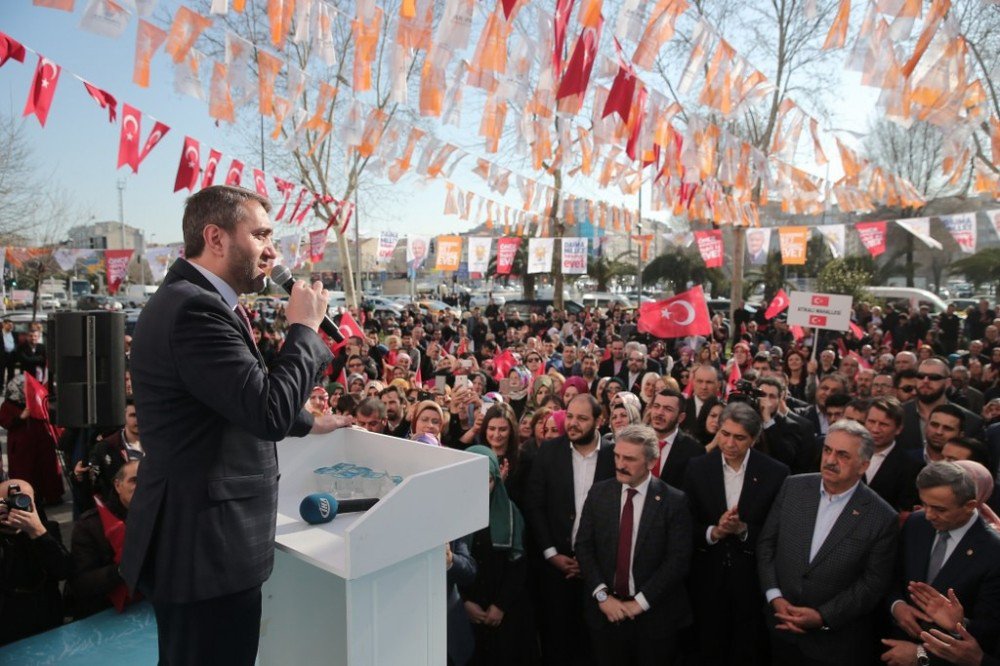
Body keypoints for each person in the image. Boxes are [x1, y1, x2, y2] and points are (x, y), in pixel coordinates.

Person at [121, 186, 351, 665]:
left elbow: (228, 400)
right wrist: (305, 330)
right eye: (262, 234)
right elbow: (263, 410)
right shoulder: (195, 310)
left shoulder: (196, 300)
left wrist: (308, 422)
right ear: (216, 238)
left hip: (200, 543)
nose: (273, 251)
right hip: (204, 547)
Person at [757, 419, 898, 665]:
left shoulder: (881, 517)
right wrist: (774, 597)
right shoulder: (793, 486)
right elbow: (767, 544)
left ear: (863, 465)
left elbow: (872, 584)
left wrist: (823, 616)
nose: (831, 460)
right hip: (779, 629)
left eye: (843, 455)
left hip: (833, 644)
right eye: (827, 450)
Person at [575, 424, 693, 666]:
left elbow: (678, 560)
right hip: (605, 615)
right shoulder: (599, 494)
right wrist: (602, 596)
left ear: (651, 462)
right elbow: (584, 547)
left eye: (629, 459)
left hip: (655, 619)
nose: (620, 464)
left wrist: (639, 603)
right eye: (617, 456)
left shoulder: (673, 501)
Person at [683, 403, 789, 665]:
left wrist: (742, 530)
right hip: (705, 580)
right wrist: (715, 531)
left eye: (739, 437)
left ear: (753, 439)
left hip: (752, 582)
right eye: (724, 434)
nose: (729, 443)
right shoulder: (697, 468)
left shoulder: (776, 473)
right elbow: (685, 525)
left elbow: (778, 532)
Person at [523, 393, 615, 666]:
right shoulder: (549, 452)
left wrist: (590, 562)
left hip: (599, 571)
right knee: (556, 642)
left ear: (600, 420)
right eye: (570, 416)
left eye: (582, 418)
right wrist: (551, 553)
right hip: (556, 568)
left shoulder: (614, 456)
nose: (572, 424)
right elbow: (535, 505)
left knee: (594, 645)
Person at [881, 462, 1000, 665]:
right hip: (894, 649)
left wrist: (958, 626)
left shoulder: (993, 552)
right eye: (925, 504)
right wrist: (897, 606)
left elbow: (990, 632)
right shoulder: (916, 523)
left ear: (970, 506)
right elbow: (892, 575)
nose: (928, 514)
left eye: (939, 509)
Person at [460, 445, 534, 665]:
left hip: (503, 612)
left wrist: (500, 605)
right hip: (465, 610)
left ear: (496, 481)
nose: (482, 487)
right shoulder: (453, 513)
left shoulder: (511, 513)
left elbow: (518, 565)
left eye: (488, 480)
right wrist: (464, 603)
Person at [0, 479, 71, 646]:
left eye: (23, 501)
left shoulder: (46, 529)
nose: (16, 507)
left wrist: (38, 532)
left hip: (48, 620)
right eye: (8, 503)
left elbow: (64, 570)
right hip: (7, 627)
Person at [69, 460, 140, 618]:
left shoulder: (166, 516)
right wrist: (124, 569)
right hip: (106, 613)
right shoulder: (89, 525)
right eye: (134, 480)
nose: (142, 485)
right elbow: (81, 583)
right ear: (117, 485)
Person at [0, 375, 63, 505]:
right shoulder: (9, 405)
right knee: (25, 474)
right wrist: (21, 417)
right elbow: (5, 422)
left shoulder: (36, 400)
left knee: (46, 470)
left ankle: (51, 497)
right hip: (21, 448)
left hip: (41, 442)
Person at [646, 389, 704, 488]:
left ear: (681, 417)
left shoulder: (694, 451)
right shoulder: (636, 441)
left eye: (668, 409)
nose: (659, 412)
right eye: (656, 406)